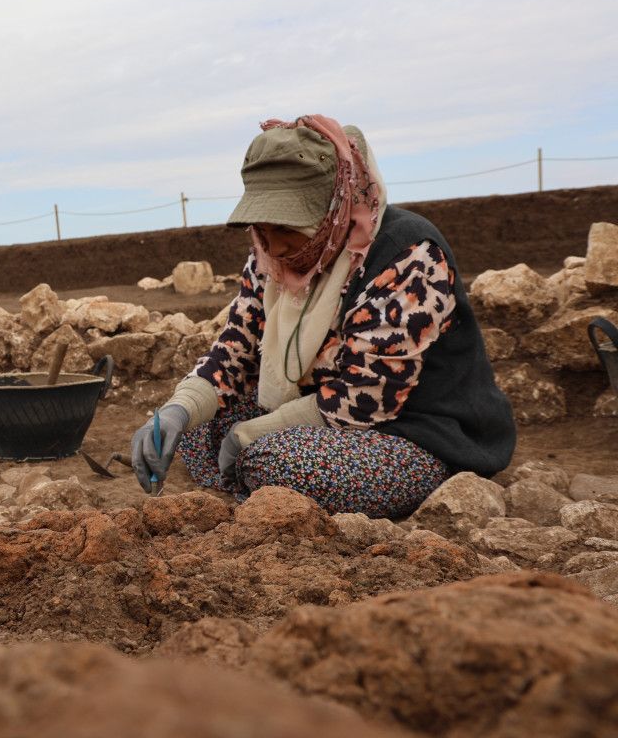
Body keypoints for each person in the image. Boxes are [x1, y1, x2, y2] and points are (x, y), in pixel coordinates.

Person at [131, 115, 516, 518]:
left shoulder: (407, 255)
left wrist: (250, 433)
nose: (275, 247)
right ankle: (254, 485)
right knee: (194, 430)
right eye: (262, 230)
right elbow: (238, 346)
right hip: (318, 414)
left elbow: (362, 400)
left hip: (414, 433)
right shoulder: (269, 258)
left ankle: (262, 483)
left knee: (275, 461)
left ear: (333, 208)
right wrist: (177, 409)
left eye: (287, 228)